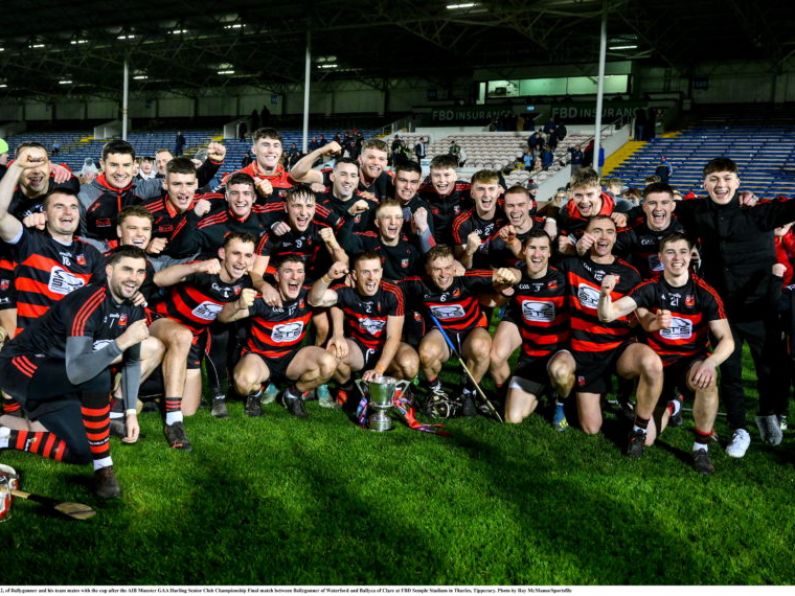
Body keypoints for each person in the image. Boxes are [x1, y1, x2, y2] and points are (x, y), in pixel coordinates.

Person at [0, 246, 153, 499]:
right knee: (99, 375)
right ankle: (104, 468)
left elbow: (132, 363)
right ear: (109, 270)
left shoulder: (135, 308)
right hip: (20, 366)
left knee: (83, 450)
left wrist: (129, 414)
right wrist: (121, 342)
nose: (133, 277)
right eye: (127, 269)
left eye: (140, 272)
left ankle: (6, 437)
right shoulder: (89, 301)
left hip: (58, 377)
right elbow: (78, 370)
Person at [671, 157, 795, 457]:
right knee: (730, 371)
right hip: (722, 311)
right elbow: (660, 207)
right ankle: (739, 428)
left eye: (727, 179)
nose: (721, 185)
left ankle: (769, 415)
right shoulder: (695, 211)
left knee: (772, 369)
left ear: (738, 182)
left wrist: (756, 200)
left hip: (761, 308)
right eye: (714, 179)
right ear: (704, 184)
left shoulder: (760, 214)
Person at [598, 233, 734, 474]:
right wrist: (605, 294)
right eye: (670, 252)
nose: (677, 258)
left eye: (682, 251)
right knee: (650, 436)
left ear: (691, 255)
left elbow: (727, 341)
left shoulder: (705, 293)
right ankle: (644, 428)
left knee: (708, 381)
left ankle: (700, 447)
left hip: (689, 362)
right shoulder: (650, 287)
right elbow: (607, 315)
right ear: (660, 257)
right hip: (656, 364)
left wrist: (710, 363)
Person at [557, 215, 663, 456]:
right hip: (586, 352)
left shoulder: (629, 273)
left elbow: (642, 310)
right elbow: (541, 268)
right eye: (597, 231)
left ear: (616, 237)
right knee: (591, 428)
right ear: (587, 234)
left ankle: (639, 424)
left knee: (651, 363)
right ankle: (582, 394)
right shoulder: (571, 265)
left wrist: (652, 322)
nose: (603, 237)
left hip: (619, 348)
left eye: (609, 232)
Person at [149, 232, 255, 447]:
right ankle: (173, 422)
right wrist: (195, 267)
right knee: (182, 335)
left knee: (188, 409)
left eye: (247, 255)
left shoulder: (243, 283)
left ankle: (155, 395)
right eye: (236, 254)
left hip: (194, 338)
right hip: (162, 321)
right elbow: (159, 279)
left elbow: (222, 317)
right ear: (223, 253)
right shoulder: (206, 269)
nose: (241, 261)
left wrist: (239, 305)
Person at [401, 245, 519, 417]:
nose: (443, 274)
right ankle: (437, 391)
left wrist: (508, 279)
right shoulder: (418, 284)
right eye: (437, 269)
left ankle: (468, 392)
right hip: (443, 332)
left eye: (448, 268)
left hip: (471, 330)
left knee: (482, 347)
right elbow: (389, 287)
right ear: (428, 270)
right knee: (426, 353)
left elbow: (502, 278)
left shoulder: (468, 279)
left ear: (454, 267)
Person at [222, 256, 338, 418]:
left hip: (290, 358)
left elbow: (332, 297)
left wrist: (328, 277)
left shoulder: (308, 296)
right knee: (242, 384)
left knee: (329, 363)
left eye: (299, 272)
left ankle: (292, 394)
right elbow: (223, 317)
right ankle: (255, 393)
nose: (295, 276)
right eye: (288, 271)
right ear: (277, 276)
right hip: (261, 358)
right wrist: (237, 305)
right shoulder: (263, 300)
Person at [489, 230, 575, 428]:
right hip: (531, 358)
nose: (537, 254)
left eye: (543, 249)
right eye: (533, 248)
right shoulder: (517, 274)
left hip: (558, 353)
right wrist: (503, 283)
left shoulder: (562, 279)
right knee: (513, 418)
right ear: (524, 251)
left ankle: (559, 402)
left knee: (561, 372)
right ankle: (516, 392)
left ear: (550, 252)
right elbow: (513, 279)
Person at [310, 254, 418, 406]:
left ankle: (392, 392)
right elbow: (313, 300)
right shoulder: (345, 290)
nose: (371, 278)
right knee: (334, 352)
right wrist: (328, 277)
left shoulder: (393, 293)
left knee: (410, 364)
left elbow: (393, 337)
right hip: (359, 347)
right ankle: (348, 388)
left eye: (375, 271)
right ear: (354, 275)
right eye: (365, 272)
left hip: (384, 347)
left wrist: (379, 370)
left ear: (381, 272)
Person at [452, 170, 506, 270]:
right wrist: (469, 251)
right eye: (481, 189)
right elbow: (463, 266)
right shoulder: (461, 223)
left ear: (499, 192)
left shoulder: (508, 210)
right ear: (472, 193)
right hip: (474, 273)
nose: (486, 194)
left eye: (491, 189)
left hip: (504, 271)